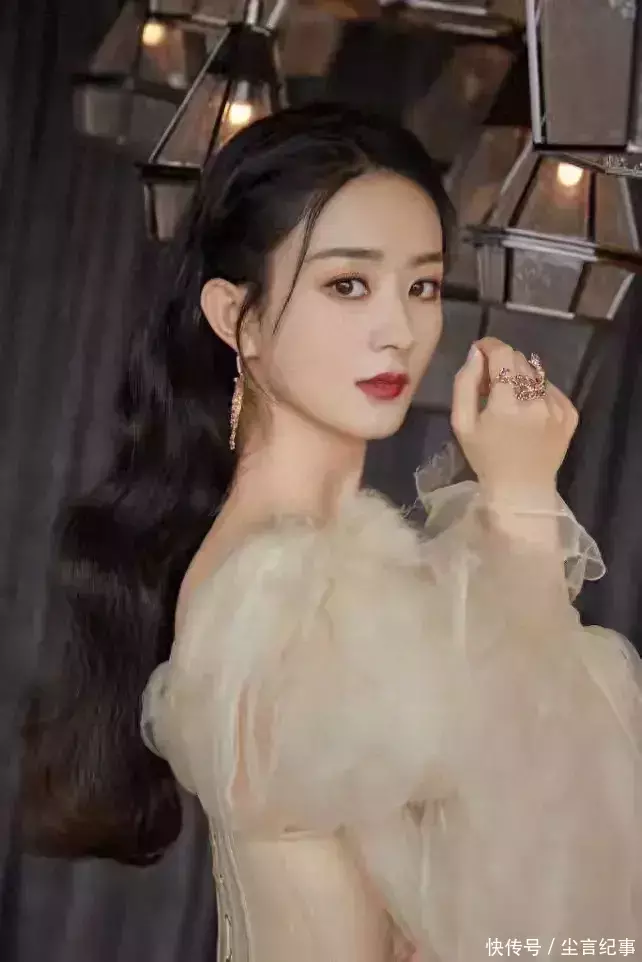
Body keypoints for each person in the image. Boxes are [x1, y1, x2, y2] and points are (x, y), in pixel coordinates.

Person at [19, 103, 642, 962]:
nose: (400, 330)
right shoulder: (277, 587)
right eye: (348, 284)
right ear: (237, 318)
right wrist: (525, 500)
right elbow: (533, 873)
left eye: (422, 287)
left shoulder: (320, 568)